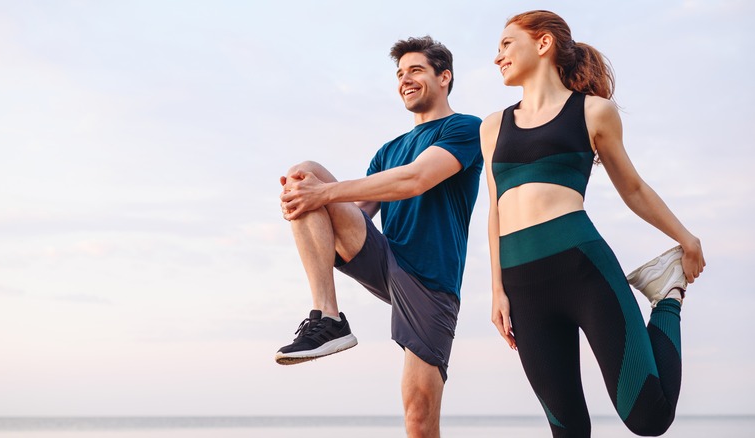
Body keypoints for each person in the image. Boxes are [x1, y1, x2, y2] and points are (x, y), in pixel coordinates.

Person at [480, 10, 705, 438]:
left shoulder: (593, 112)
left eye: (507, 43)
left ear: (543, 43)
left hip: (582, 268)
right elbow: (495, 209)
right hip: (522, 284)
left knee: (649, 418)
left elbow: (633, 188)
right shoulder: (493, 127)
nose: (498, 57)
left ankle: (668, 295)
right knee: (568, 430)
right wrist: (497, 291)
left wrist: (684, 238)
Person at [276, 36, 483, 437]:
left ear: (445, 77)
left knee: (418, 417)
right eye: (400, 74)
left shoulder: (465, 128)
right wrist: (307, 199)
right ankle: (328, 316)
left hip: (430, 278)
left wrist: (322, 193)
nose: (405, 79)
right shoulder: (388, 150)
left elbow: (418, 178)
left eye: (416, 70)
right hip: (384, 259)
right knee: (305, 172)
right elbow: (356, 214)